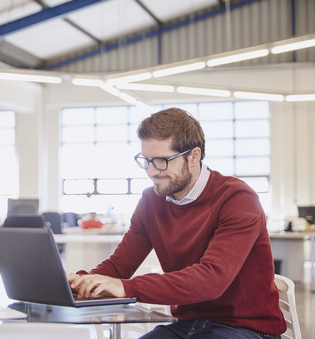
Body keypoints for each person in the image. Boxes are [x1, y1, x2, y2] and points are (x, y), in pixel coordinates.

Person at [67, 108, 286, 339]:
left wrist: (126, 287)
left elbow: (212, 280)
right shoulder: (151, 200)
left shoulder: (237, 198)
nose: (152, 171)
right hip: (186, 326)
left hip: (245, 329)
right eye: (146, 161)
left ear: (193, 156)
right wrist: (82, 282)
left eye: (161, 161)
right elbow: (120, 265)